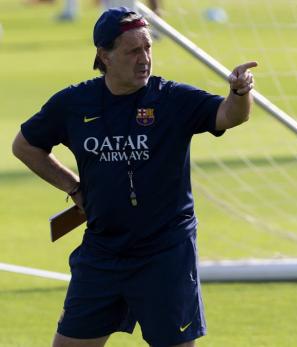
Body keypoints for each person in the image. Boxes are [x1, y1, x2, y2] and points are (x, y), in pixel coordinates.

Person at [12, 7, 256, 347]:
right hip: (103, 251)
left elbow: (229, 116)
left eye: (148, 48)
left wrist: (240, 93)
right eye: (132, 51)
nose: (144, 59)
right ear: (104, 55)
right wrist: (73, 187)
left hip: (165, 252)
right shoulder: (74, 103)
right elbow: (25, 146)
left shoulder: (171, 98)